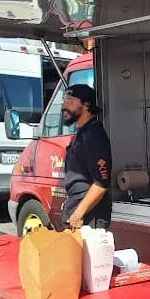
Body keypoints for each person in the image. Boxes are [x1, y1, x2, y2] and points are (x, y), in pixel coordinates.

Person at [60, 84, 112, 231]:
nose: (64, 106)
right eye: (63, 101)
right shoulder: (82, 133)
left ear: (86, 104)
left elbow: (101, 183)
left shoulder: (94, 135)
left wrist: (79, 212)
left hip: (91, 215)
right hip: (77, 205)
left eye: (70, 101)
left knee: (87, 254)